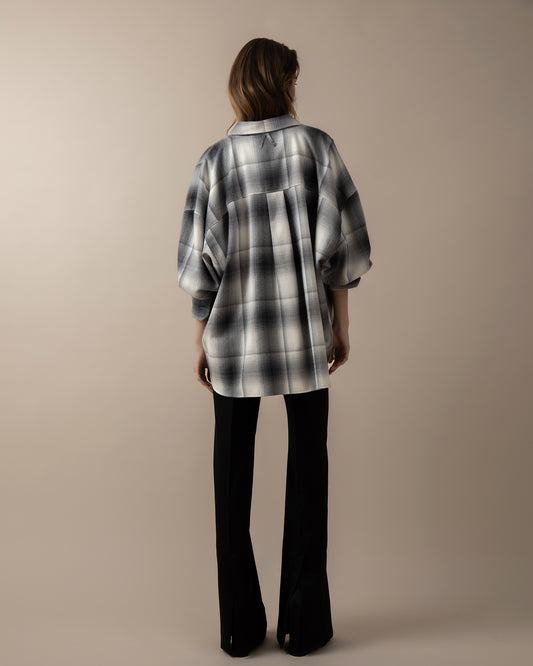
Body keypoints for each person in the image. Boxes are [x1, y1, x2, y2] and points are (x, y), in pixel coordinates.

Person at [177, 37, 373, 657]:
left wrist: (201, 339)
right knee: (309, 472)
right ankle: (302, 626)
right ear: (284, 82)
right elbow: (343, 250)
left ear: (240, 85)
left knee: (230, 480)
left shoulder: (214, 161)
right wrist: (340, 326)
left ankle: (239, 628)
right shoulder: (317, 148)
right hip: (304, 335)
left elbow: (200, 267)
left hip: (233, 340)